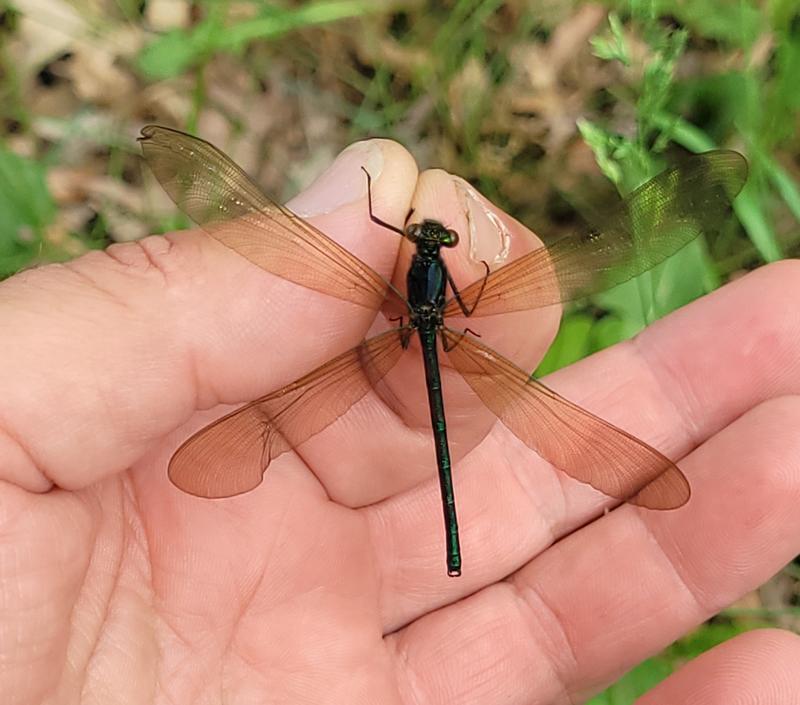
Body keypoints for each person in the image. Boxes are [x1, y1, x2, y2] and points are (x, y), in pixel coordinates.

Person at [1, 138, 798, 704]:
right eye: (432, 240)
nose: (431, 241)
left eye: (434, 241)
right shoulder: (449, 286)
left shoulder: (405, 276)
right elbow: (475, 297)